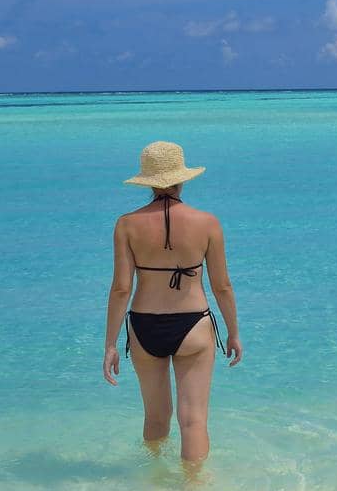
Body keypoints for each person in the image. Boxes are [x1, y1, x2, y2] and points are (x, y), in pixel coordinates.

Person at [103, 141, 242, 465]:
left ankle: (154, 483)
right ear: (182, 178)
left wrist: (110, 344)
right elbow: (222, 286)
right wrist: (234, 332)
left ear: (148, 181)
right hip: (193, 324)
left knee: (155, 418)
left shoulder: (126, 224)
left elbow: (121, 288)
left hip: (143, 326)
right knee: (193, 421)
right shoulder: (207, 223)